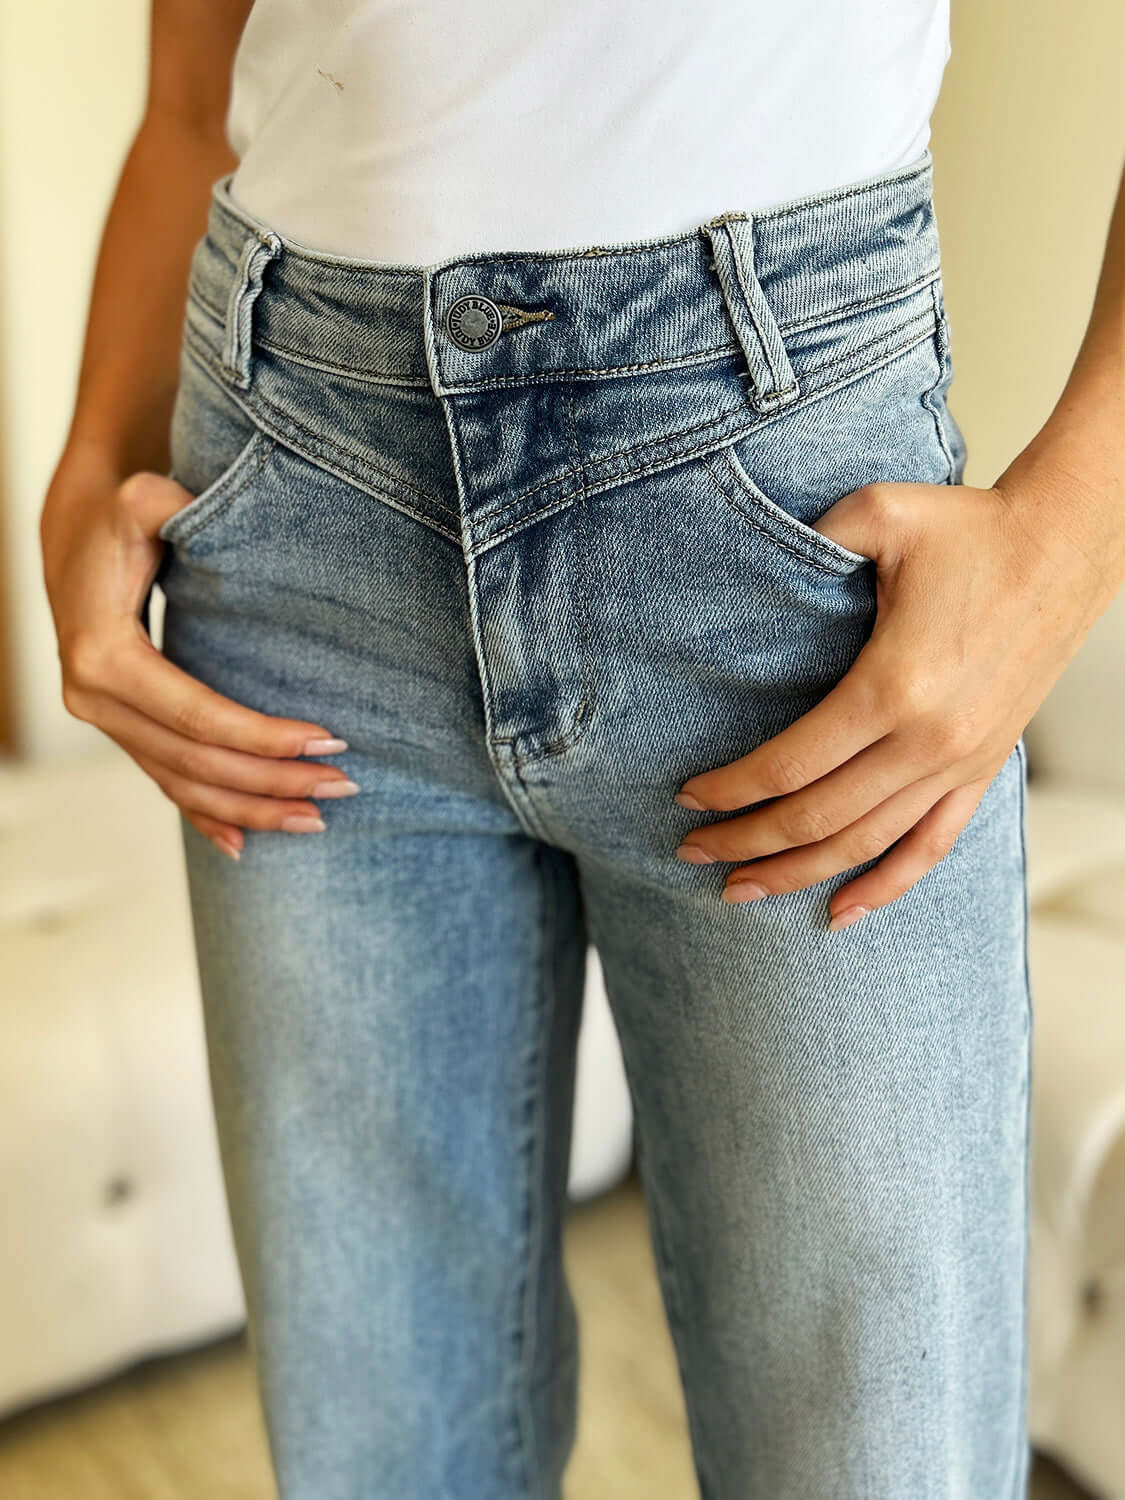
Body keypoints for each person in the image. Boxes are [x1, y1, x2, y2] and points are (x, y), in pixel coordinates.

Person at [38, 2, 1124, 1496]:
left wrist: (1070, 537)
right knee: (380, 1454)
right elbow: (188, 100)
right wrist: (99, 452)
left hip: (785, 542)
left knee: (874, 1457)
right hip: (291, 507)